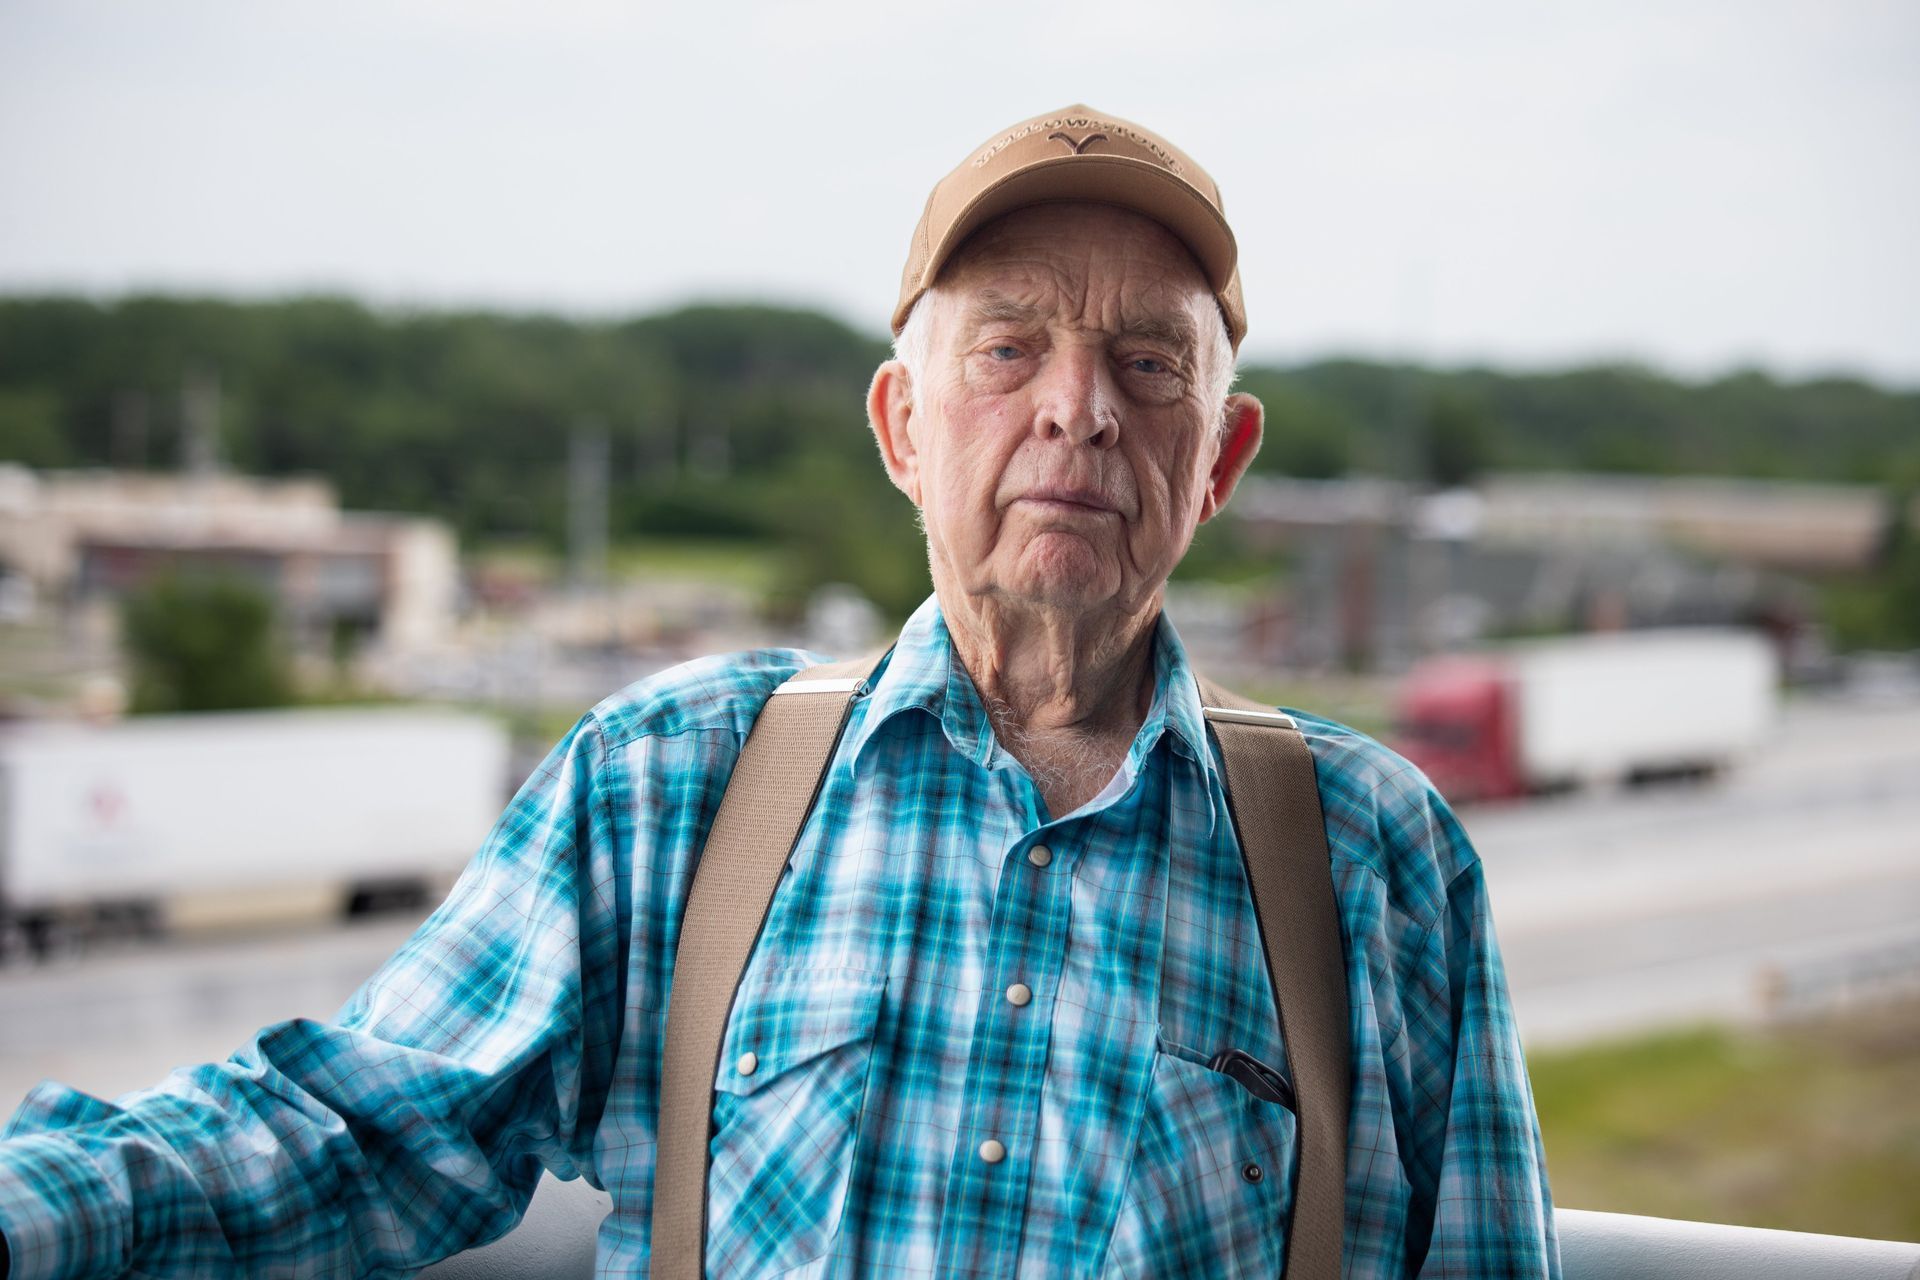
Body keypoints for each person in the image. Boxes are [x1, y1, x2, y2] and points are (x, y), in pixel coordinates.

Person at [0, 104, 1557, 1278]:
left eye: (1151, 366)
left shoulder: (1374, 857)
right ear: (901, 428)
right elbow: (349, 1136)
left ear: (1218, 461)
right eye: (1008, 351)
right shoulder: (668, 782)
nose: (1077, 411)